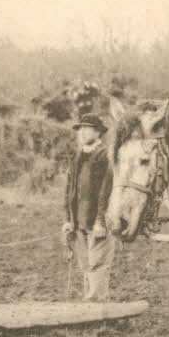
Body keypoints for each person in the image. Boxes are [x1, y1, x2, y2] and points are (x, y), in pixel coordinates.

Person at [62, 113, 116, 301]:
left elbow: (107, 191)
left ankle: (97, 308)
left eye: (88, 128)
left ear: (99, 132)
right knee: (86, 264)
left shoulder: (106, 155)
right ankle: (91, 305)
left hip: (98, 221)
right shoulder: (77, 155)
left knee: (98, 264)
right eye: (80, 129)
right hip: (79, 220)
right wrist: (68, 219)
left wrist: (102, 221)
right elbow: (70, 189)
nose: (83, 133)